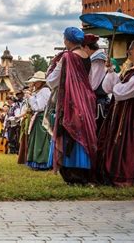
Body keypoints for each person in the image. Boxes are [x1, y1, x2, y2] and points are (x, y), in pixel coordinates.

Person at [98, 40, 134, 186]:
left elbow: (128, 91)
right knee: (118, 140)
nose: (128, 52)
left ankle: (131, 174)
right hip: (121, 112)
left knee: (131, 142)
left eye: (131, 49)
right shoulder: (129, 68)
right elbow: (108, 88)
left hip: (133, 113)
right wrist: (110, 71)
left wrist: (117, 87)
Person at [47, 27, 97, 185]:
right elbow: (89, 80)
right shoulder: (87, 57)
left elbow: (52, 80)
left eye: (64, 38)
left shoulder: (67, 57)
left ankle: (72, 174)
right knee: (85, 134)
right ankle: (84, 172)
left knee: (70, 133)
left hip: (71, 101)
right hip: (87, 100)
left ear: (68, 40)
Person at [82, 34, 109, 134]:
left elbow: (93, 84)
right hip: (95, 100)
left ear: (86, 47)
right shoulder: (95, 59)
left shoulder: (97, 60)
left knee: (98, 133)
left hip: (98, 102)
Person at [25, 72, 51, 170]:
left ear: (40, 82)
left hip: (41, 117)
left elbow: (39, 107)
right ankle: (36, 161)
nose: (34, 84)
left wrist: (30, 98)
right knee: (36, 139)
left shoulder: (44, 91)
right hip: (39, 117)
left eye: (36, 82)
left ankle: (42, 162)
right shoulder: (40, 91)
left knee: (41, 140)